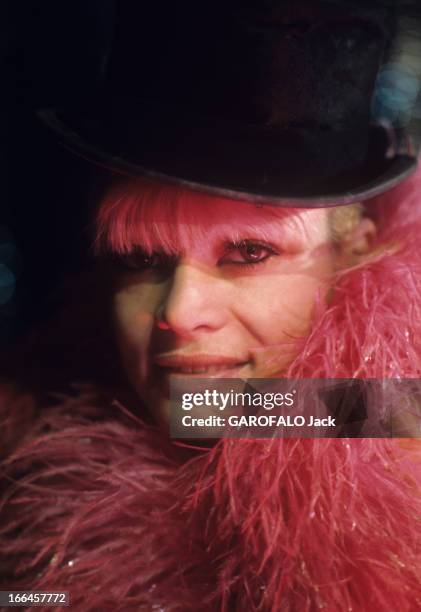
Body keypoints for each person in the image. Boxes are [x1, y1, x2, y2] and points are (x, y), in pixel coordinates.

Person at [1, 1, 421, 610]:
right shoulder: (35, 461)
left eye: (250, 252)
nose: (180, 309)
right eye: (140, 258)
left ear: (352, 250)